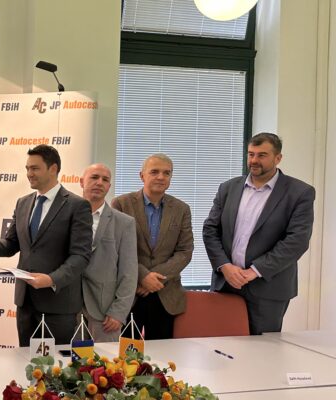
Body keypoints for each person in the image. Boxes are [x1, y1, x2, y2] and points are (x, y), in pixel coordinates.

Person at [203, 133, 314, 335]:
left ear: (278, 158)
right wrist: (225, 266)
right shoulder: (228, 188)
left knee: (263, 350)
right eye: (251, 154)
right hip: (226, 283)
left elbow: (297, 241)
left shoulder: (299, 192)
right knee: (221, 346)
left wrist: (254, 271)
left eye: (262, 155)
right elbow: (210, 230)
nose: (254, 160)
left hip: (268, 288)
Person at [0, 145, 92, 346]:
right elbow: (11, 244)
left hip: (58, 306)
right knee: (26, 361)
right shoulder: (22, 203)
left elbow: (80, 256)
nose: (29, 174)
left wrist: (51, 279)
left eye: (34, 168)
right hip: (25, 303)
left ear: (53, 169)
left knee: (57, 364)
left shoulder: (77, 206)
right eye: (27, 168)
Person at [111, 153, 192, 340]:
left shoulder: (181, 209)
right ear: (142, 176)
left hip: (165, 294)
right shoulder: (121, 204)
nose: (161, 177)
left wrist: (154, 278)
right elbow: (115, 248)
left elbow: (185, 251)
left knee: (161, 355)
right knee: (125, 352)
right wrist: (143, 276)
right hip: (130, 293)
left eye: (166, 173)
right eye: (154, 172)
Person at [78, 163, 138, 342]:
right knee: (67, 359)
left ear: (109, 186)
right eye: (94, 177)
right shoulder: (65, 216)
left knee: (104, 360)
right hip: (68, 308)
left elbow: (129, 272)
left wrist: (119, 312)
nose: (99, 182)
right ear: (81, 182)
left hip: (105, 314)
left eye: (105, 180)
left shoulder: (124, 223)